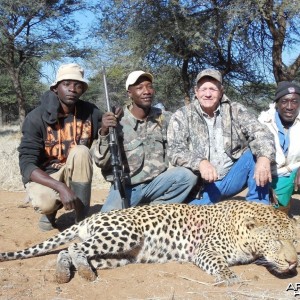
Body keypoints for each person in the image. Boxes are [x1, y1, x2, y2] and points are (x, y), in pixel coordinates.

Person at [93, 70, 197, 212]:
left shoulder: (164, 118)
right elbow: (101, 162)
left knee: (187, 177)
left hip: (158, 184)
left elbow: (184, 139)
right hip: (127, 188)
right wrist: (104, 131)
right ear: (129, 93)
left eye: (149, 86)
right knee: (106, 224)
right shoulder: (117, 121)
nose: (146, 91)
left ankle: (151, 212)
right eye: (140, 87)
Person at [167, 69, 275, 205]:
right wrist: (200, 162)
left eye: (212, 89)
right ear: (196, 91)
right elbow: (174, 150)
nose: (207, 94)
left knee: (255, 155)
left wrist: (264, 158)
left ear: (221, 91)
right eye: (203, 89)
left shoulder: (235, 110)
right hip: (202, 188)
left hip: (232, 178)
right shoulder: (181, 115)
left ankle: (258, 207)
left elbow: (261, 133)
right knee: (195, 223)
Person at [18, 63, 101, 231]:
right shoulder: (35, 117)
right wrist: (61, 187)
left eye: (78, 85)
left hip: (75, 172)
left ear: (83, 90)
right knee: (45, 202)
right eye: (67, 84)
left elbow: (106, 138)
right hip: (48, 176)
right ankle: (50, 212)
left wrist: (106, 127)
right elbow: (27, 165)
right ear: (56, 88)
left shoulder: (91, 112)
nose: (72, 89)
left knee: (81, 151)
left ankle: (82, 219)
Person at [258, 81, 300, 212]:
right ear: (276, 103)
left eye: (294, 101)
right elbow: (255, 157)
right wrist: (266, 186)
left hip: (296, 169)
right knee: (276, 213)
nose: (289, 106)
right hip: (276, 174)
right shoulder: (264, 122)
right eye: (284, 101)